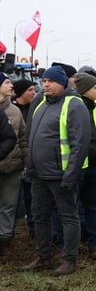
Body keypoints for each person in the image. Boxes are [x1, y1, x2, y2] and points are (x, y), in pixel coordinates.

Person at [21, 65, 90, 276]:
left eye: (51, 81)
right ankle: (44, 255)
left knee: (68, 216)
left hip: (60, 174)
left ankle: (69, 259)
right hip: (38, 173)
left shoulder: (74, 104)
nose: (46, 84)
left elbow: (80, 143)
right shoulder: (42, 103)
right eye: (44, 81)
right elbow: (32, 136)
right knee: (39, 215)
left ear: (62, 83)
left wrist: (71, 174)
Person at [74, 72, 96, 261]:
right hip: (77, 166)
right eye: (95, 87)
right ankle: (71, 245)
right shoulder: (73, 108)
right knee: (72, 207)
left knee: (93, 205)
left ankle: (95, 244)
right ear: (84, 89)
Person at [0, 73, 25, 261]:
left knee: (9, 204)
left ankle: (5, 240)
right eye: (7, 82)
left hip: (12, 165)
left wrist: (25, 161)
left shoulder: (15, 112)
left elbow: (22, 138)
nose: (11, 86)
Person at [12, 78, 37, 236]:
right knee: (11, 200)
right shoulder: (11, 110)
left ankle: (33, 229)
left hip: (30, 159)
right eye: (30, 90)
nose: (34, 93)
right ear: (21, 92)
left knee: (31, 197)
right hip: (13, 160)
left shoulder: (36, 109)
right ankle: (9, 232)